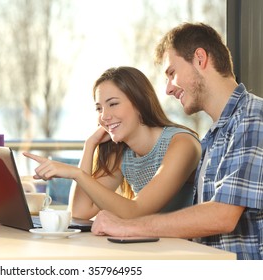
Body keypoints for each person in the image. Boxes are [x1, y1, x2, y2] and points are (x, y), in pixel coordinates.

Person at [91, 23, 263, 260]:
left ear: (200, 58)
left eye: (172, 73)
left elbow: (222, 216)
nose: (168, 89)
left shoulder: (253, 117)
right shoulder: (215, 136)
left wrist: (127, 227)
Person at [24, 66, 201, 221]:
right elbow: (79, 212)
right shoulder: (122, 152)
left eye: (113, 104)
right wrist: (89, 145)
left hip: (188, 252)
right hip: (152, 246)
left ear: (140, 103)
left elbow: (136, 212)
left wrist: (76, 174)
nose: (104, 116)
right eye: (99, 108)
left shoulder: (181, 144)